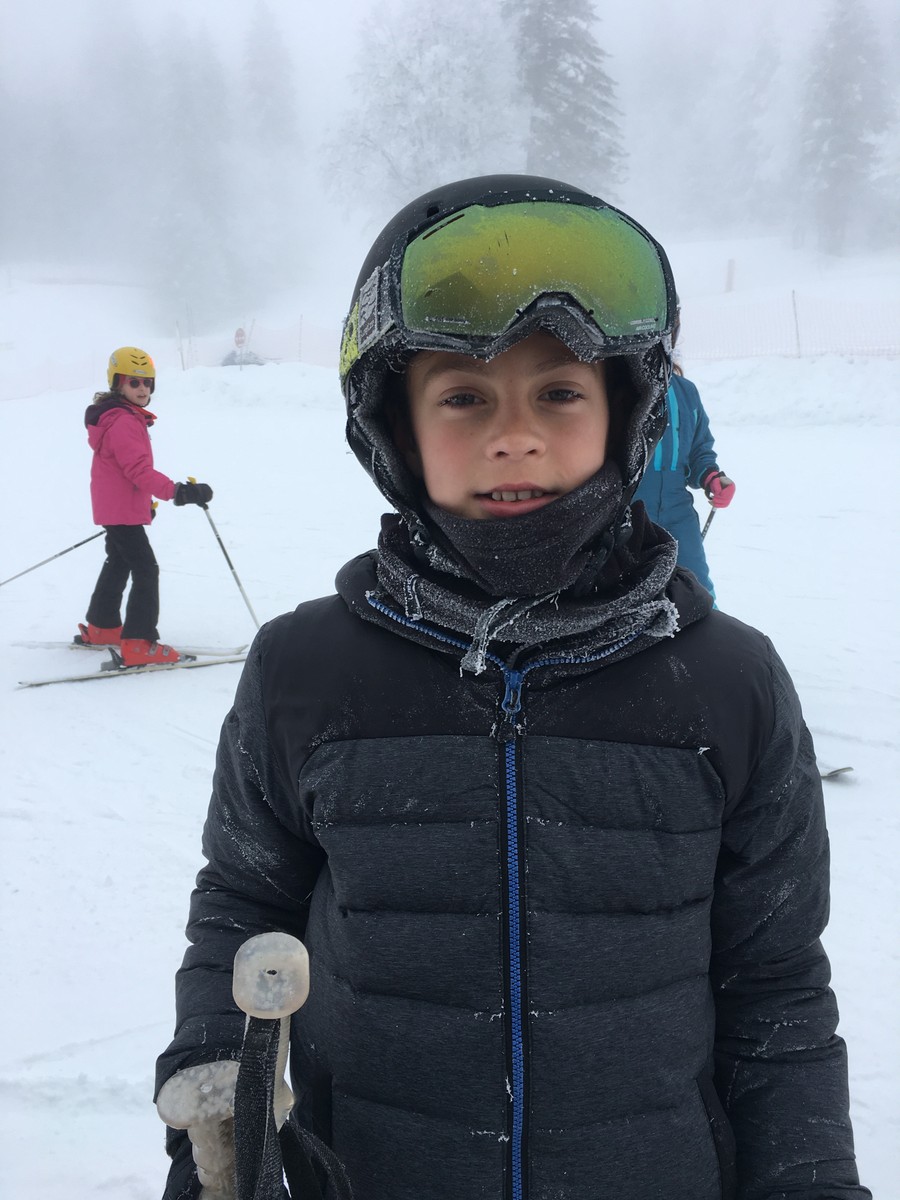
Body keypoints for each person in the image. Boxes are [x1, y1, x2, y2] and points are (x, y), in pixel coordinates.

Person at [155, 177, 869, 1200]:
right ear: (395, 426)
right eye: (463, 396)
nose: (514, 434)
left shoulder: (729, 684)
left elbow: (777, 987)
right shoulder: (305, 672)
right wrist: (221, 1128)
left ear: (627, 412)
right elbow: (244, 905)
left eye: (559, 392)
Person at [78, 346, 213, 667]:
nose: (142, 389)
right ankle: (139, 642)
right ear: (118, 384)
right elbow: (137, 470)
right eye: (134, 382)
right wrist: (178, 492)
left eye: (147, 383)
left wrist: (141, 506)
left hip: (117, 508)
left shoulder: (119, 417)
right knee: (145, 568)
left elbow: (122, 473)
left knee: (118, 561)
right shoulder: (124, 421)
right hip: (119, 511)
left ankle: (103, 626)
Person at [632, 310, 734, 599]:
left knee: (697, 591)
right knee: (629, 595)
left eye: (666, 324)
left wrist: (711, 476)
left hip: (678, 515)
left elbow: (699, 450)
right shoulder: (622, 389)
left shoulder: (686, 392)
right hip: (629, 516)